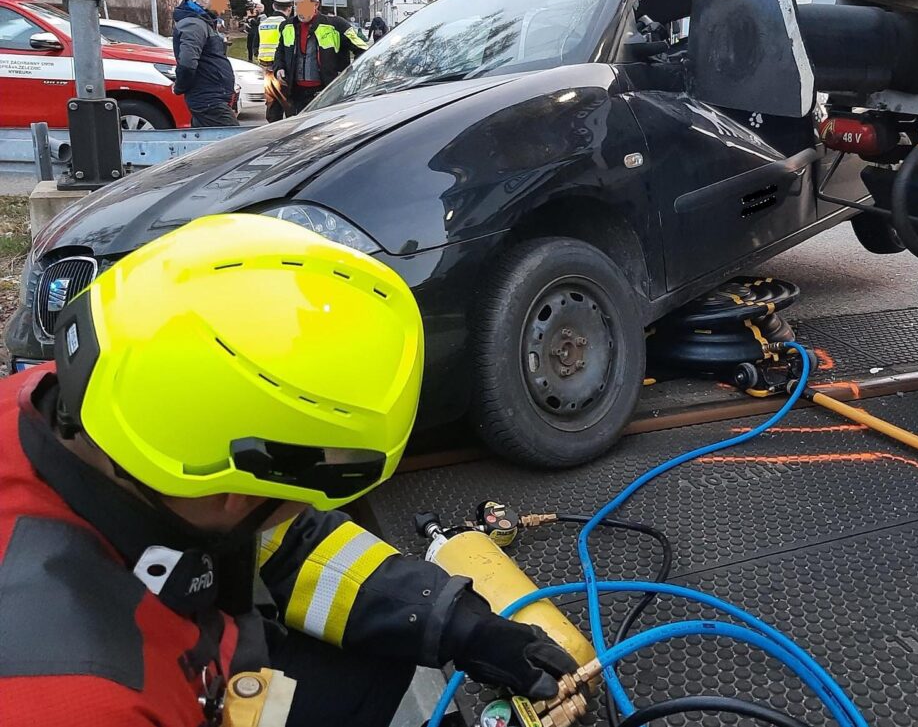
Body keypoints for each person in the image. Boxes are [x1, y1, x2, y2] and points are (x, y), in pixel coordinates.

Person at [0, 213, 577, 727]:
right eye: (303, 491)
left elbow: (286, 540)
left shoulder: (125, 406)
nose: (304, 509)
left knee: (374, 666)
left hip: (219, 666)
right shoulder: (76, 695)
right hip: (191, 692)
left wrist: (455, 622)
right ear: (232, 496)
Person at [273, 0, 369, 115]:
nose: (299, 9)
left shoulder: (336, 25)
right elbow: (280, 52)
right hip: (296, 95)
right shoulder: (286, 26)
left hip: (328, 93)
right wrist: (279, 68)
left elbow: (363, 49)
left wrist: (350, 76)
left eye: (304, 5)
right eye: (296, 5)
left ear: (315, 5)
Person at [171, 0, 237, 127]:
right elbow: (187, 63)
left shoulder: (203, 22)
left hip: (210, 100)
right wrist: (180, 86)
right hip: (209, 102)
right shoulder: (194, 24)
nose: (225, 3)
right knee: (237, 146)